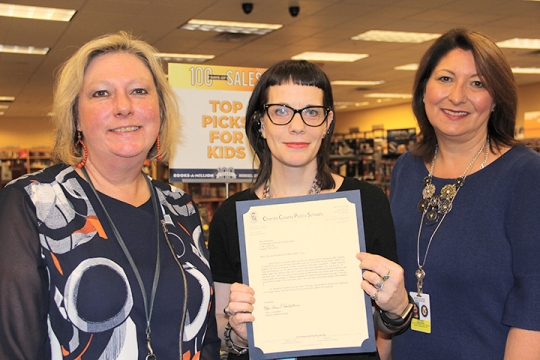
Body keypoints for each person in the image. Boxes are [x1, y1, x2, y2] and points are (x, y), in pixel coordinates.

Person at [0, 31, 220, 359]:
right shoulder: (34, 204)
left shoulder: (181, 208)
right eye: (101, 93)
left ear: (159, 110)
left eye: (139, 91)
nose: (124, 107)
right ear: (75, 115)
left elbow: (206, 340)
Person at [208, 59, 414, 360]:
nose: (297, 126)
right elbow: (223, 330)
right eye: (280, 111)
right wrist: (239, 335)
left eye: (311, 112)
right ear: (260, 123)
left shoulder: (366, 202)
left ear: (328, 123)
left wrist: (396, 306)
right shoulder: (231, 215)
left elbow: (384, 326)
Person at [389, 28, 540, 359]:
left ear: (496, 97)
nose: (457, 96)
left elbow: (534, 305)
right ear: (423, 89)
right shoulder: (406, 169)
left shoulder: (525, 175)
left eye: (477, 83)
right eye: (445, 78)